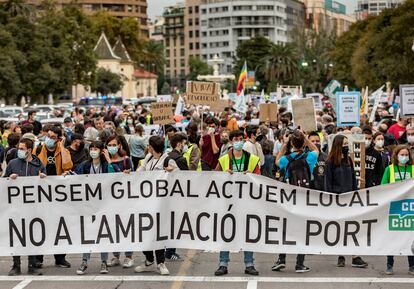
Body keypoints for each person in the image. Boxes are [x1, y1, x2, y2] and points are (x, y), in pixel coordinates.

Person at [214, 130, 260, 276]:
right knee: (226, 232)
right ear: (231, 141)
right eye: (236, 139)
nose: (239, 141)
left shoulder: (252, 159)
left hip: (247, 201)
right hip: (227, 202)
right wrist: (223, 175)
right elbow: (214, 178)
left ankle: (249, 263)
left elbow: (259, 178)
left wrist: (251, 176)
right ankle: (223, 263)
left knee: (247, 232)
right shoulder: (223, 159)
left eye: (241, 139)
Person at [273, 131, 318, 273]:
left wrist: (285, 144)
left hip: (289, 198)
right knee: (302, 231)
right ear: (303, 143)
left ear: (291, 144)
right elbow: (316, 150)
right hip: (304, 199)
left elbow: (277, 161)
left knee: (285, 229)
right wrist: (305, 138)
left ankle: (281, 259)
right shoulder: (310, 157)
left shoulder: (286, 159)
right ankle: (300, 263)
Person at [75, 141, 120, 275]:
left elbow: (116, 176)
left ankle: (103, 262)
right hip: (88, 206)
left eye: (96, 149)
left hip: (105, 205)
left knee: (103, 234)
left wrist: (108, 159)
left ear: (101, 151)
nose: (93, 151)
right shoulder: (85, 165)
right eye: (92, 149)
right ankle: (84, 261)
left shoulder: (107, 165)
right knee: (87, 234)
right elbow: (75, 177)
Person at [135, 136, 178, 275]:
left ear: (152, 147)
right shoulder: (148, 158)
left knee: (158, 234)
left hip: (161, 204)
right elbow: (139, 174)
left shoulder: (168, 159)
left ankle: (160, 262)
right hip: (146, 203)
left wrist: (172, 171)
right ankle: (148, 259)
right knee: (143, 232)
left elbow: (180, 178)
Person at [324, 135, 368, 268]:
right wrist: (332, 199)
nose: (346, 146)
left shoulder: (348, 159)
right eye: (344, 143)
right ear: (338, 145)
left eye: (347, 143)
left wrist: (355, 194)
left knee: (352, 228)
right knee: (341, 230)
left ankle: (355, 256)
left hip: (350, 199)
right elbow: (328, 183)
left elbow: (353, 180)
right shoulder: (330, 162)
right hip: (337, 200)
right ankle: (341, 256)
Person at [4, 138, 46, 276]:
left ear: (29, 150)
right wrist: (9, 177)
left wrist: (43, 178)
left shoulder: (39, 164)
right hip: (15, 207)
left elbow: (48, 186)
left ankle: (32, 265)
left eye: (22, 148)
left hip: (33, 208)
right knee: (17, 236)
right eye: (19, 148)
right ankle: (16, 265)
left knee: (32, 236)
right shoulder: (12, 163)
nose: (19, 151)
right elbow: (3, 182)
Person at [36, 125, 73, 268]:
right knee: (41, 226)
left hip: (58, 195)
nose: (49, 139)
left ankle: (60, 258)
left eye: (53, 137)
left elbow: (68, 166)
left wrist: (62, 147)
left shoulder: (64, 151)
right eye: (48, 136)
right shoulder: (38, 149)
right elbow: (33, 166)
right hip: (41, 194)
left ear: (58, 139)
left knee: (59, 226)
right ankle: (38, 258)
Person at [381, 145, 414, 275]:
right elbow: (383, 187)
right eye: (402, 154)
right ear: (396, 155)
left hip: (410, 208)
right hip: (393, 208)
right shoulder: (390, 169)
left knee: (410, 237)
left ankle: (412, 265)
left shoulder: (412, 168)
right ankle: (389, 264)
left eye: (406, 155)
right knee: (392, 237)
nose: (404, 157)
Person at [105, 135, 134, 267]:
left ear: (119, 146)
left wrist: (110, 163)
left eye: (113, 145)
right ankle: (115, 256)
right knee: (113, 228)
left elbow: (122, 176)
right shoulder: (104, 161)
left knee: (127, 227)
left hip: (125, 200)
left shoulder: (126, 160)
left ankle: (128, 256)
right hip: (110, 200)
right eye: (109, 145)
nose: (111, 147)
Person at [165, 133, 189, 261]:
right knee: (175, 225)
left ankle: (167, 250)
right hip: (178, 195)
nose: (185, 146)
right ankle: (170, 251)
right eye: (184, 143)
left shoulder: (167, 157)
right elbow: (187, 178)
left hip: (167, 195)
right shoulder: (180, 159)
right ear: (179, 144)